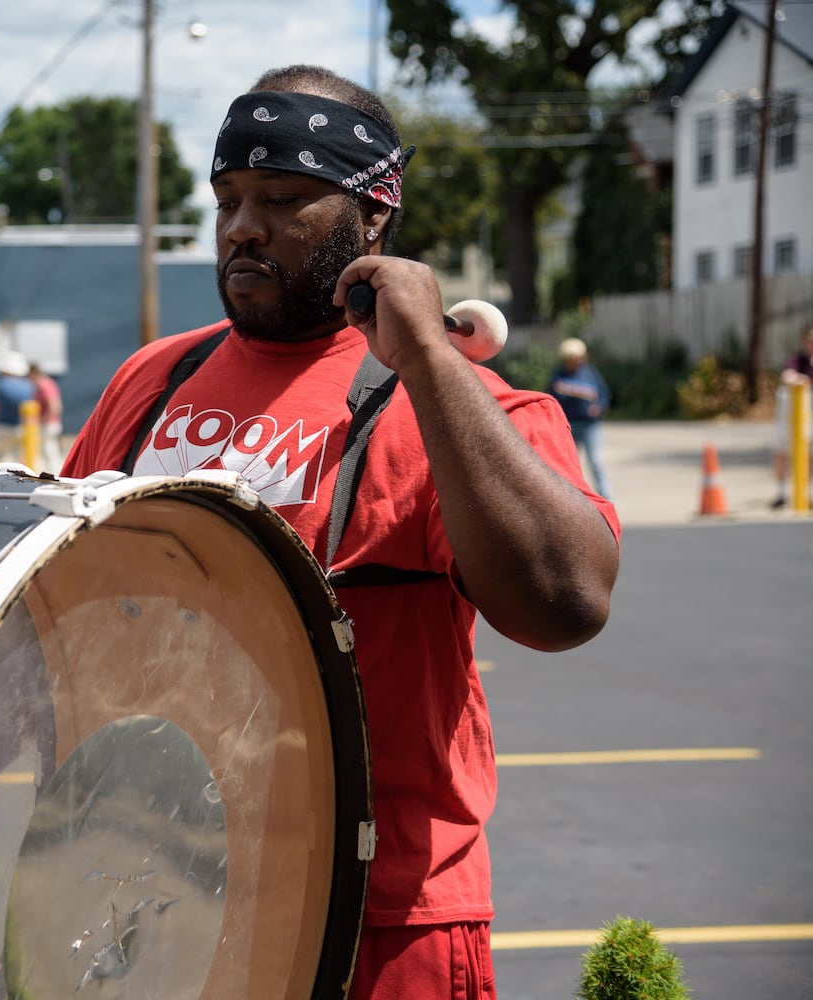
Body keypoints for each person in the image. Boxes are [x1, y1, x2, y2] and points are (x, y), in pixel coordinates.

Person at [61, 65, 620, 999]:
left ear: (373, 217)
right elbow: (59, 599)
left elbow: (566, 602)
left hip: (379, 917)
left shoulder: (456, 406)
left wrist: (428, 359)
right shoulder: (151, 378)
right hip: (149, 899)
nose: (244, 226)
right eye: (229, 198)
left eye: (283, 200)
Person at [549, 338, 614, 500]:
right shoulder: (559, 376)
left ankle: (606, 498)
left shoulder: (590, 373)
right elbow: (550, 400)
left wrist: (599, 407)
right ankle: (572, 499)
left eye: (577, 359)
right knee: (569, 465)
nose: (575, 362)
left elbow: (604, 394)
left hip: (590, 426)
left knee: (596, 462)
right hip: (569, 427)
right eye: (571, 359)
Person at [770, 325, 813, 509]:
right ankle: (781, 492)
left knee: (809, 453)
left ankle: (808, 491)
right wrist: (798, 379)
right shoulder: (797, 360)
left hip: (809, 416)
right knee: (782, 451)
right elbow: (788, 375)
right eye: (809, 341)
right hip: (791, 414)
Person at [0, 351, 36, 467]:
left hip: (3, 425)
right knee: (20, 460)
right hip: (23, 427)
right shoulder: (28, 385)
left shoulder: (0, 384)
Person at [27, 362, 64, 471]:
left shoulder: (44, 385)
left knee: (50, 451)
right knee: (48, 451)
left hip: (48, 424)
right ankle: (54, 472)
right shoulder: (46, 384)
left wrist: (43, 421)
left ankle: (56, 474)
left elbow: (54, 406)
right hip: (49, 422)